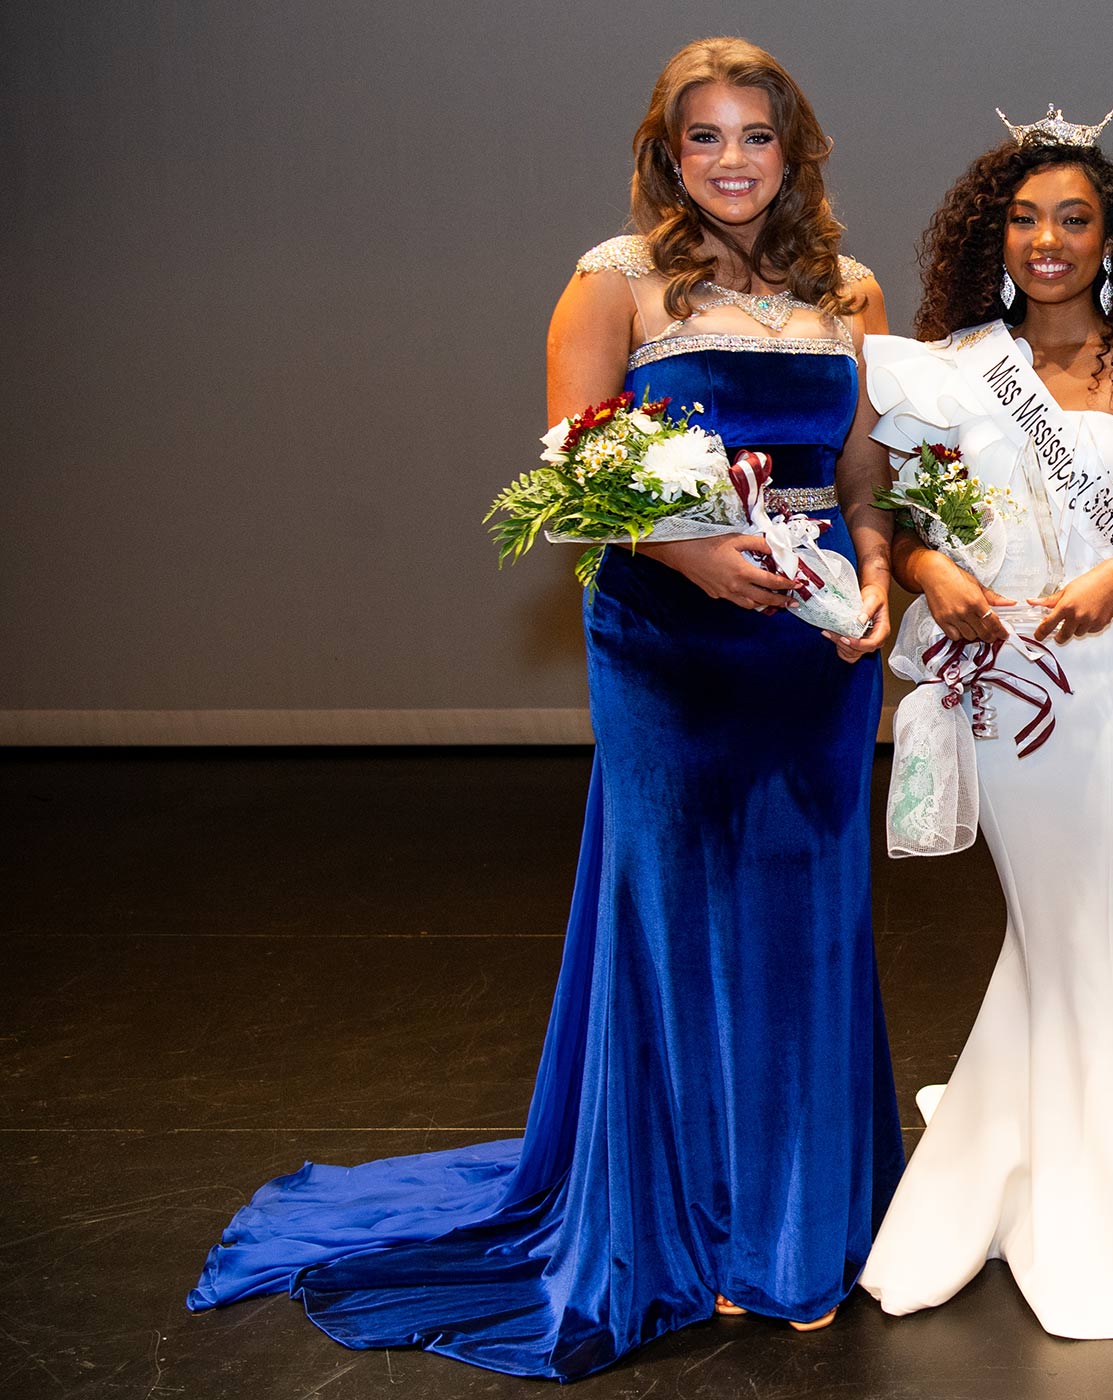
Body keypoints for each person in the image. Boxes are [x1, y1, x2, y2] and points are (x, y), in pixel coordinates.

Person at [185, 37, 904, 1378]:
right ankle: (689, 1230)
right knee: (680, 917)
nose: (735, 160)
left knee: (809, 919)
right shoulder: (612, 279)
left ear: (794, 152)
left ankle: (803, 1226)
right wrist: (695, 558)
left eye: (759, 135)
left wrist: (876, 582)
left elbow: (865, 473)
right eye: (708, 138)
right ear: (667, 153)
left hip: (811, 644)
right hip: (670, 637)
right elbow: (575, 473)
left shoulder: (849, 288)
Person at [855, 108, 1113, 1340]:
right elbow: (906, 519)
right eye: (1026, 217)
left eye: (1073, 219)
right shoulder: (948, 364)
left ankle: (1109, 1199)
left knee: (1096, 927)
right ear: (998, 236)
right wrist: (931, 576)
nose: (1047, 239)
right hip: (1004, 683)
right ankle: (1057, 1152)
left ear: (1109, 240)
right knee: (1050, 931)